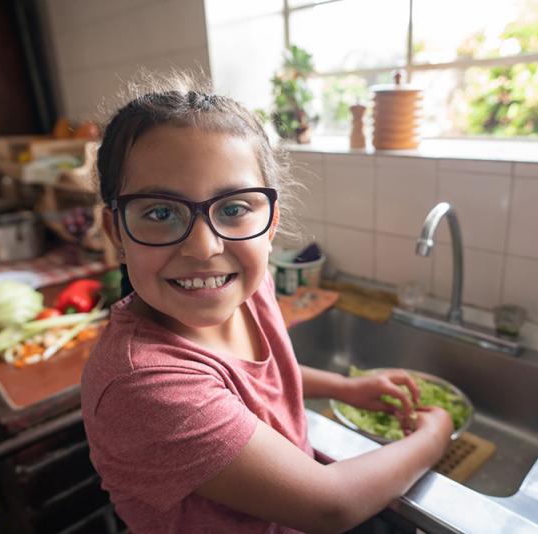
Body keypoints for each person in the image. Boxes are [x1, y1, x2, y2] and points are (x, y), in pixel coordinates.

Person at [81, 71, 453, 534]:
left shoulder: (249, 289)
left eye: (234, 209)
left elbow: (263, 382)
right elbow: (329, 505)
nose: (204, 248)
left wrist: (342, 387)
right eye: (160, 212)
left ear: (271, 220)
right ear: (116, 231)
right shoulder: (143, 384)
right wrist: (435, 439)